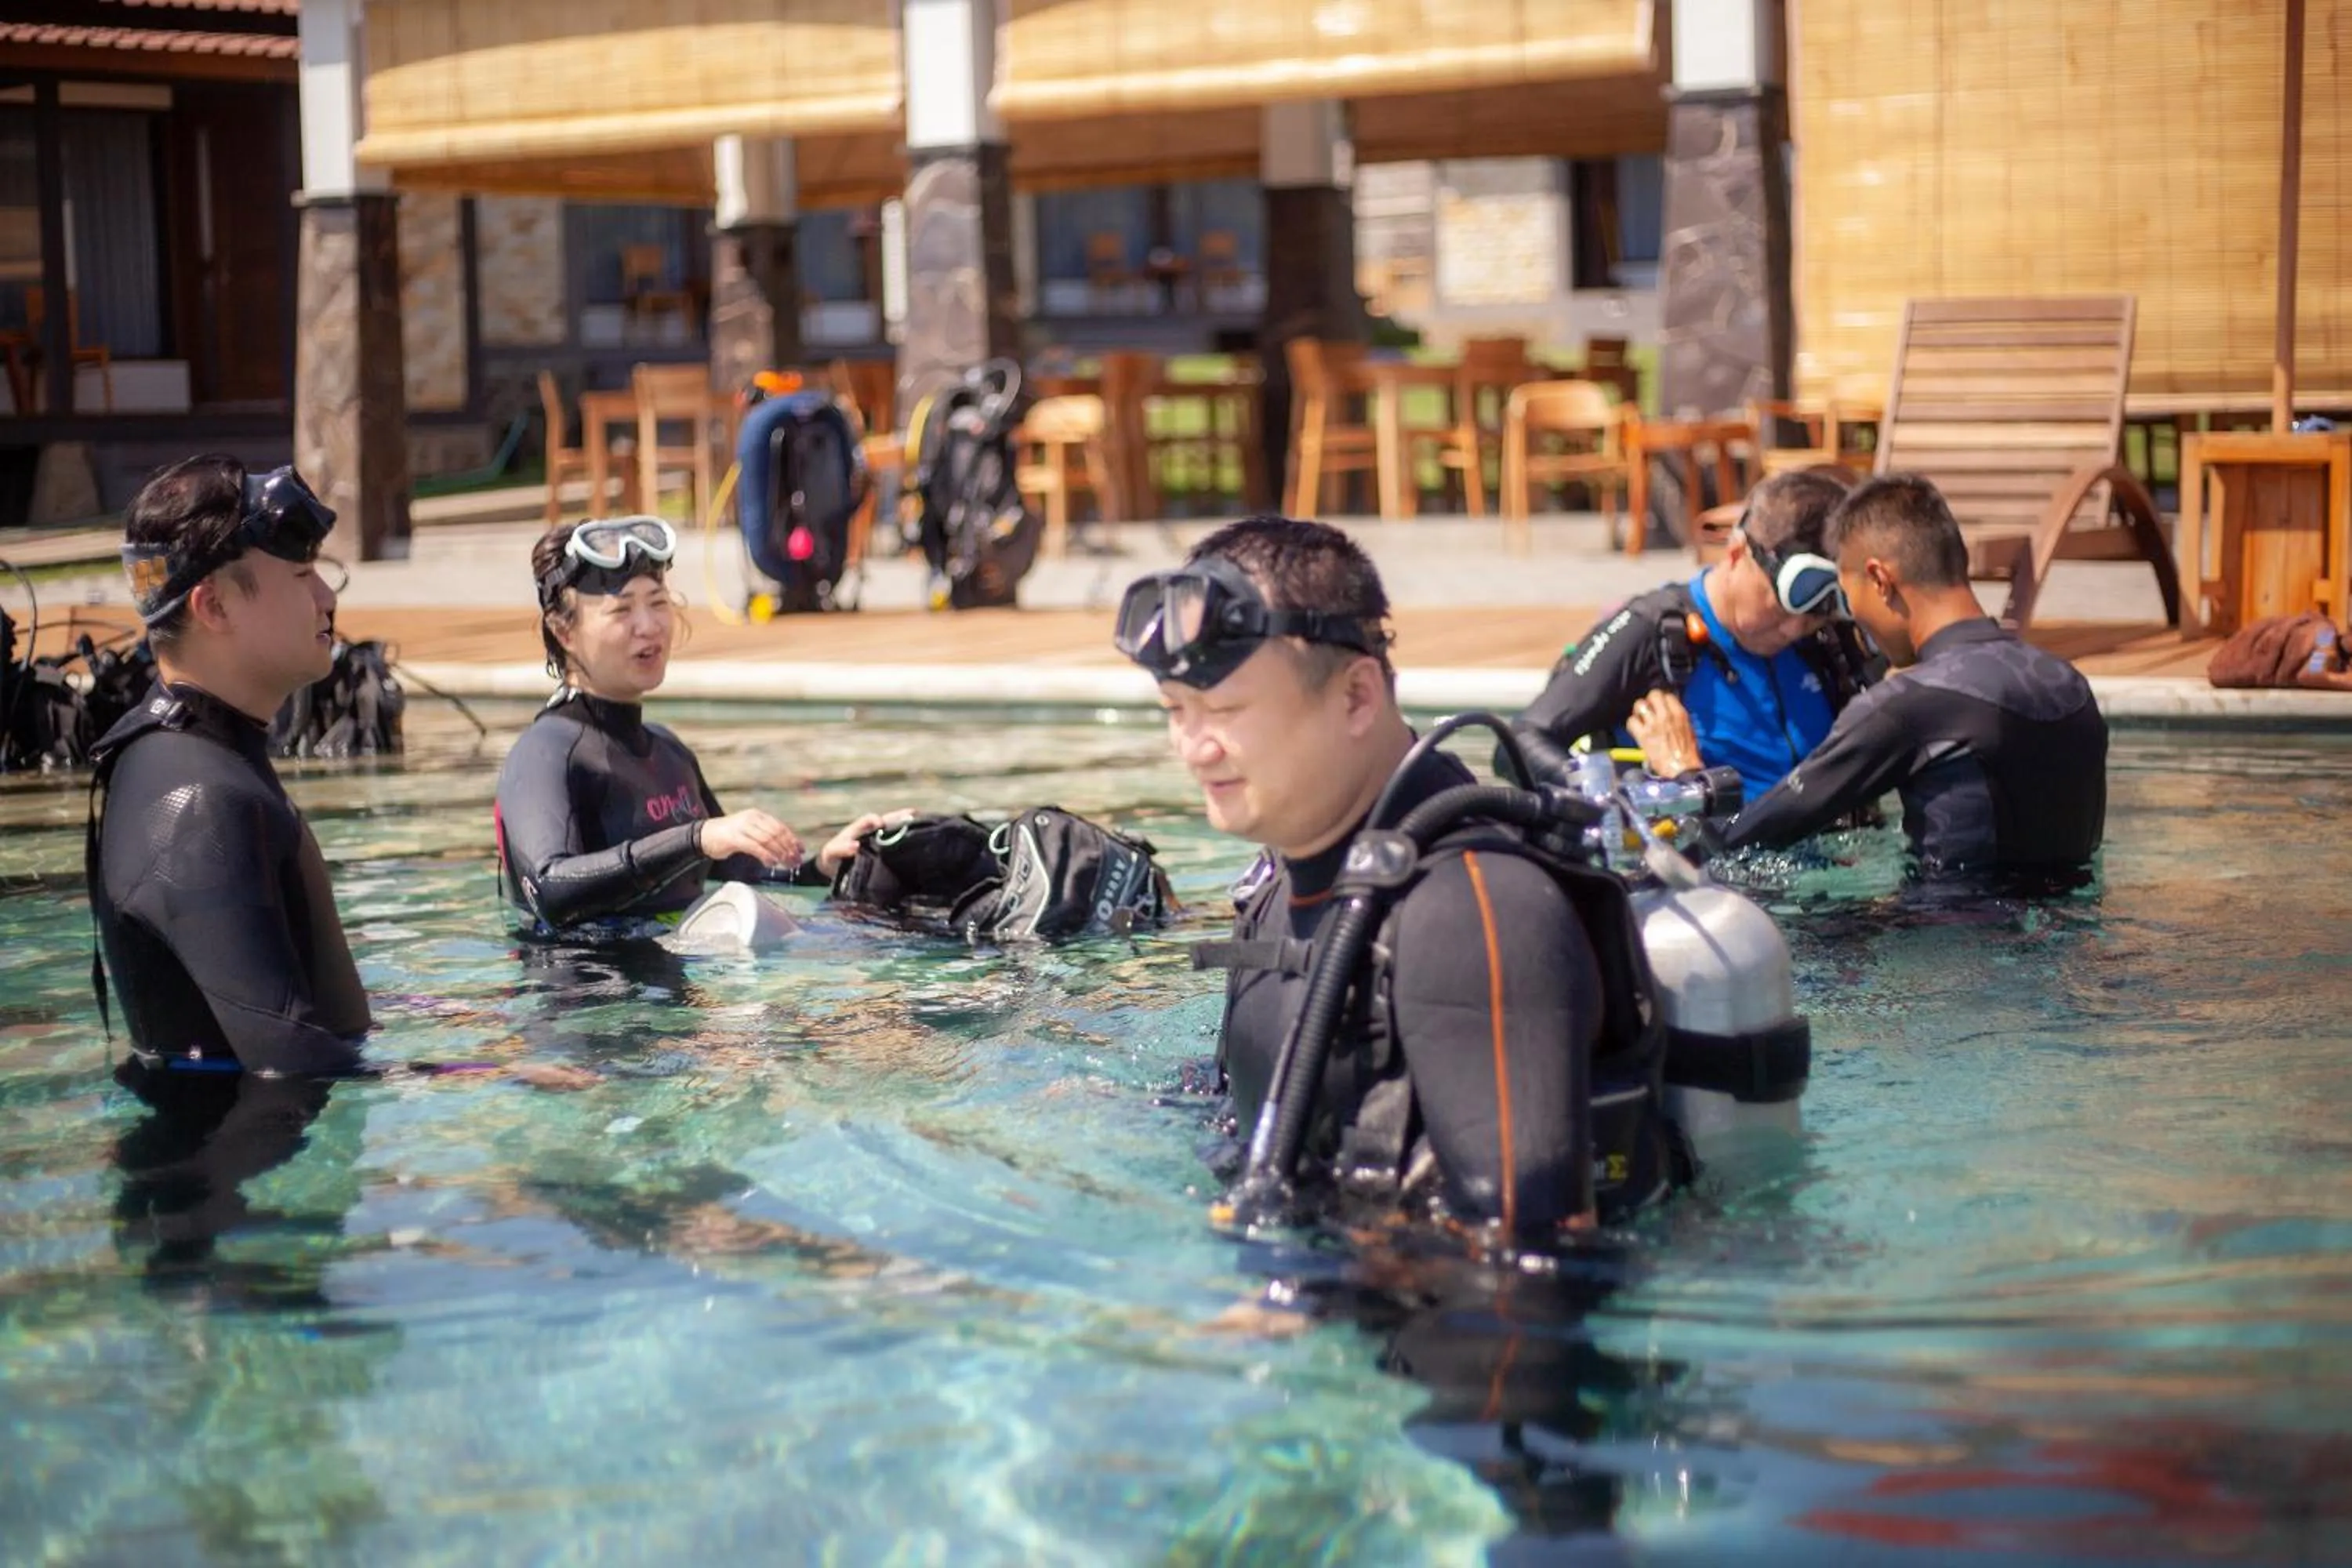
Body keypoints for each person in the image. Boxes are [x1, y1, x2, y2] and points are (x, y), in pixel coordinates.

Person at [1119, 517, 1675, 1235]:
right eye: (1175, 711)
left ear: (1356, 697)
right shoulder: (1279, 886)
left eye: (1224, 710)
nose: (1193, 747)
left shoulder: (1475, 913)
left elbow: (1531, 1284)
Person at [89, 456, 375, 1081]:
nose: (327, 597)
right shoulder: (197, 801)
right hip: (243, 1169)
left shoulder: (199, 759)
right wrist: (479, 1073)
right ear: (214, 606)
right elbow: (290, 1060)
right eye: (302, 575)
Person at [495, 517, 887, 936]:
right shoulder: (545, 753)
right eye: (622, 609)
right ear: (564, 632)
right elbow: (550, 888)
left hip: (678, 982)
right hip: (583, 992)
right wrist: (694, 838)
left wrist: (822, 865)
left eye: (658, 602)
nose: (649, 626)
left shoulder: (669, 751)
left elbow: (737, 865)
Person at [1709, 474, 2108, 875]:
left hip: (1947, 931)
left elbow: (1745, 838)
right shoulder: (2069, 683)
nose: (1856, 621)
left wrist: (1690, 777)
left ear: (1880, 580)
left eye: (1849, 598)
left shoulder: (1906, 703)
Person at [1512, 469, 1875, 800]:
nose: (1794, 629)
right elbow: (1521, 741)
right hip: (1705, 865)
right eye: (1780, 609)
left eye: (1813, 618)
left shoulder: (1831, 644)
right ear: (1736, 553)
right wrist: (1636, 797)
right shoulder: (1651, 634)